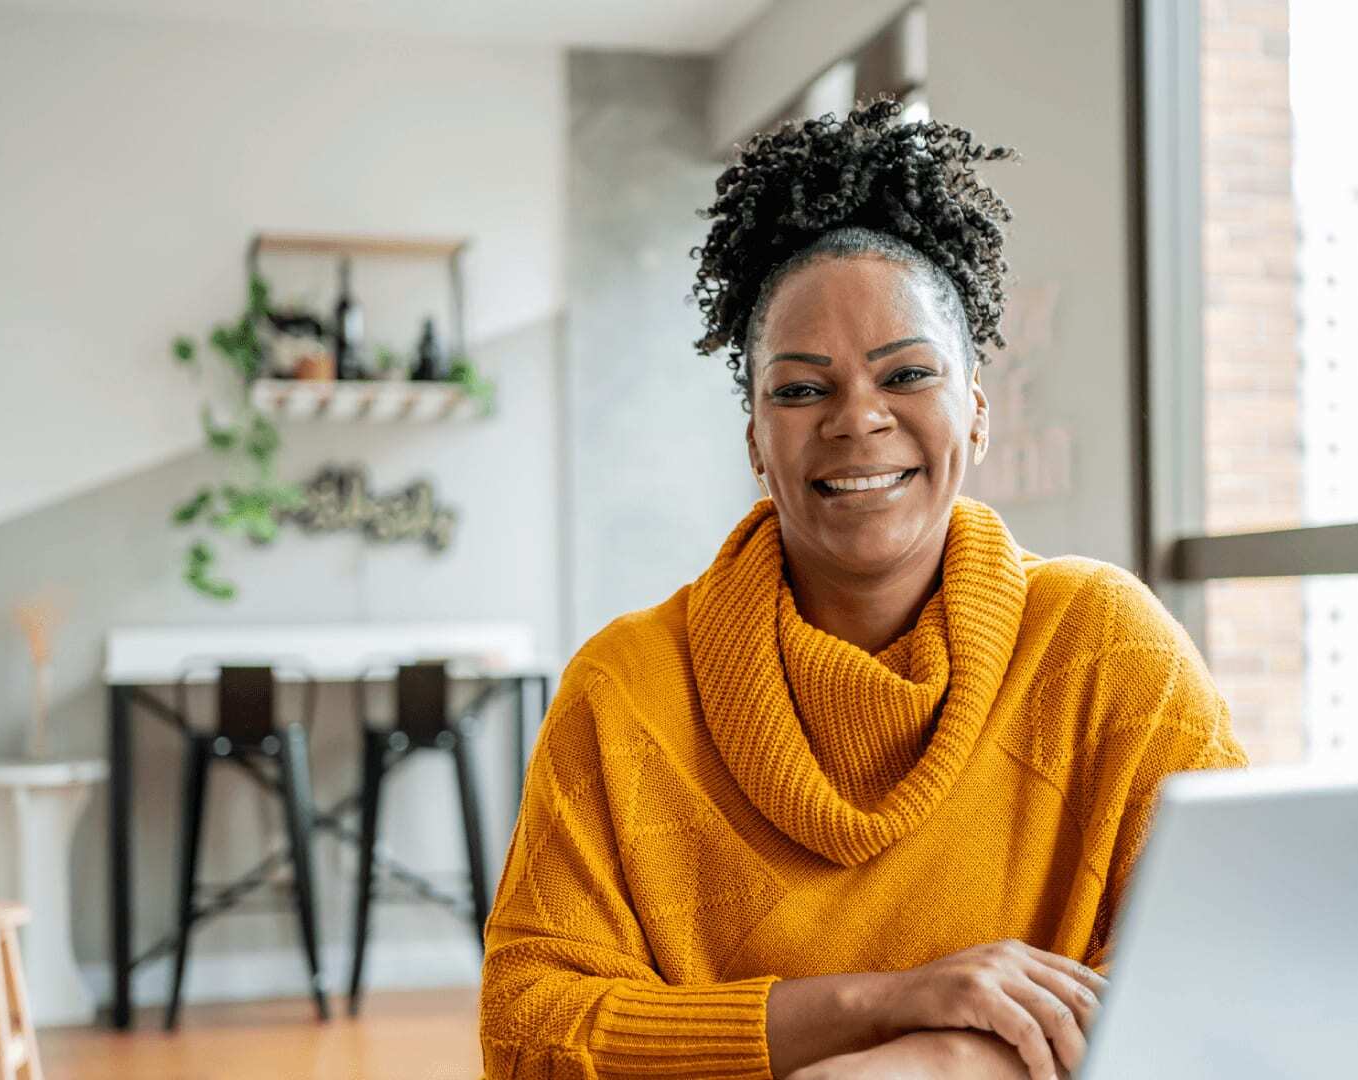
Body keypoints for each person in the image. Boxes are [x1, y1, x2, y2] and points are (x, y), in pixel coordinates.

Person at [477, 98, 1246, 1080]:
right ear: (756, 438)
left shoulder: (1109, 648)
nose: (857, 420)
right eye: (800, 389)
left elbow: (1218, 971)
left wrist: (938, 1062)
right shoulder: (623, 689)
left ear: (974, 409)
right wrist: (884, 1002)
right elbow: (529, 1030)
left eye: (907, 374)